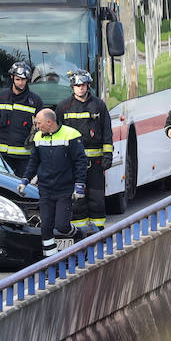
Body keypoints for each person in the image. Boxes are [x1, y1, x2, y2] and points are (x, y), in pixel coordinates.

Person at [19, 108, 89, 256]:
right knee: (46, 227)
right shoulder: (38, 137)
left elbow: (80, 162)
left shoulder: (71, 135)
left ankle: (78, 235)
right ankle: (50, 261)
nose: (37, 126)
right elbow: (34, 162)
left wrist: (79, 185)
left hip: (64, 189)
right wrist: (24, 180)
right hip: (45, 189)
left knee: (62, 226)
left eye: (39, 123)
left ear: (49, 122)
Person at [56, 69, 113, 231]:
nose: (81, 88)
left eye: (83, 85)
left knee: (97, 198)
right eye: (77, 85)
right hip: (72, 163)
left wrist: (107, 155)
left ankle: (98, 231)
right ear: (72, 87)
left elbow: (107, 131)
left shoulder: (99, 105)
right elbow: (57, 134)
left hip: (95, 162)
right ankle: (79, 232)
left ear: (88, 85)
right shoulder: (63, 107)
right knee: (77, 199)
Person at [0, 61, 43, 164]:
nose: (20, 83)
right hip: (2, 155)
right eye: (18, 79)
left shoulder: (35, 101)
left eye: (23, 80)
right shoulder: (0, 97)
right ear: (12, 77)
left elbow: (41, 130)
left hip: (25, 157)